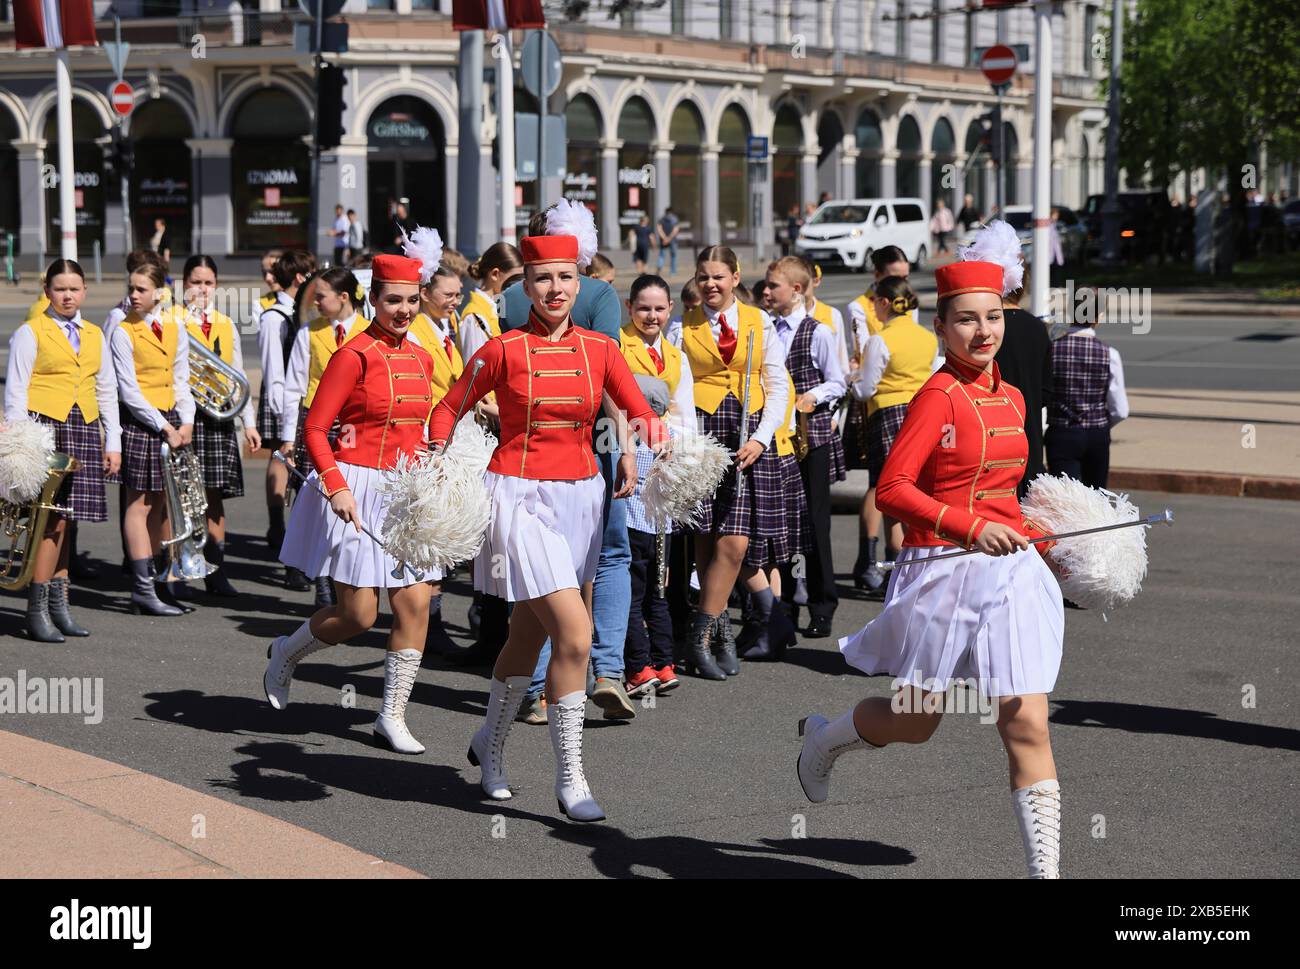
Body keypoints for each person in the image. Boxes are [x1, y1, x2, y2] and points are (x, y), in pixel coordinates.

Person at [798, 248, 1067, 880]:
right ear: (942, 327)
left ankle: (1046, 875)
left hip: (1011, 575)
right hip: (943, 571)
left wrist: (1049, 535)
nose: (984, 332)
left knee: (1025, 718)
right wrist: (971, 526)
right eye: (968, 320)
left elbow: (1008, 493)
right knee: (916, 722)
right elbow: (892, 490)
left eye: (994, 317)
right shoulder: (937, 397)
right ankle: (826, 739)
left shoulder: (1015, 399)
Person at [430, 226, 668, 821]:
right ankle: (571, 778)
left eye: (565, 277)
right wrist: (433, 466)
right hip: (517, 497)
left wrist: (660, 443)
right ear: (525, 285)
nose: (554, 288)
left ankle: (490, 745)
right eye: (542, 278)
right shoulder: (502, 348)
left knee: (525, 635)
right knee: (575, 633)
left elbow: (638, 411)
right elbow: (448, 406)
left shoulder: (600, 348)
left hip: (582, 499)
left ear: (579, 281)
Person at [266, 254, 441, 755]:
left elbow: (419, 428)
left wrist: (435, 463)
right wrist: (336, 484)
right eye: (393, 301)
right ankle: (286, 652)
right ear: (373, 299)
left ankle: (392, 716)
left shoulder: (422, 358)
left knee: (414, 602)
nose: (403, 310)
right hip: (355, 487)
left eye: (411, 300)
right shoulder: (353, 355)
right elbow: (315, 429)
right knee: (359, 615)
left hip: (404, 490)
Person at [500, 205, 638, 726]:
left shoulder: (512, 296)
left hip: (523, 457)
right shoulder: (597, 293)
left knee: (538, 571)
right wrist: (624, 445)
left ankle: (536, 688)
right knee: (607, 557)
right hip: (587, 446)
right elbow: (611, 380)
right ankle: (604, 671)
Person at [681, 245, 790, 680]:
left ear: (735, 276)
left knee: (736, 541)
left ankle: (698, 635)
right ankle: (716, 634)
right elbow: (677, 388)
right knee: (705, 538)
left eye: (719, 276)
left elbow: (778, 384)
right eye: (703, 276)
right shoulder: (681, 326)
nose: (710, 284)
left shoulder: (758, 321)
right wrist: (687, 443)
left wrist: (762, 439)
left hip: (748, 436)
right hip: (703, 433)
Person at [4, 259, 121, 641]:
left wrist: (113, 441)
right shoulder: (30, 332)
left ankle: (60, 606)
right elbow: (16, 393)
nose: (67, 295)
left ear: (84, 291)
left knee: (68, 522)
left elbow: (106, 390)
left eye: (74, 288)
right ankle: (36, 610)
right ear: (47, 291)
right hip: (45, 431)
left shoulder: (94, 334)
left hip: (83, 430)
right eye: (59, 289)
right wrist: (22, 445)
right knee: (48, 522)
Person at [618, 274, 695, 697]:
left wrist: (676, 450)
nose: (652, 315)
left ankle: (661, 661)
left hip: (661, 465)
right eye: (643, 308)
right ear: (630, 308)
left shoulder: (675, 354)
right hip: (628, 456)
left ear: (670, 310)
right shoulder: (616, 344)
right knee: (632, 569)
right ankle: (637, 663)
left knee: (655, 574)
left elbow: (685, 413)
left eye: (660, 308)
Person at [764, 256, 847, 640]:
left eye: (773, 286)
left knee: (814, 522)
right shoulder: (765, 328)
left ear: (796, 290)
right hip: (776, 436)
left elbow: (838, 381)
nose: (766, 292)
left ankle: (821, 603)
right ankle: (783, 603)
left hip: (809, 435)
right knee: (782, 522)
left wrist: (812, 394)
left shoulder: (818, 332)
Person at [111, 259, 197, 616]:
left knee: (163, 502)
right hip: (144, 423)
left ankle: (162, 579)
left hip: (172, 420)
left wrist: (187, 422)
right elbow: (128, 391)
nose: (132, 295)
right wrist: (164, 426)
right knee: (139, 503)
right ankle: (142, 587)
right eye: (130, 288)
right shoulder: (121, 329)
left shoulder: (174, 326)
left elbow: (182, 379)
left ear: (159, 293)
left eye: (140, 289)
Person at [280, 267, 369, 606]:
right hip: (317, 420)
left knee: (353, 495)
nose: (314, 302)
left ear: (343, 297)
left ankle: (348, 576)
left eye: (321, 295)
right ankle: (322, 583)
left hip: (356, 420)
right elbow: (294, 386)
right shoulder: (309, 332)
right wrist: (289, 436)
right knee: (319, 499)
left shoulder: (367, 331)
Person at [179, 255, 261, 597]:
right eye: (195, 282)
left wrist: (250, 423)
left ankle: (215, 569)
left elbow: (238, 374)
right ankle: (179, 567)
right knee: (182, 497)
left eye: (208, 283)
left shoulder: (227, 324)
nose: (201, 289)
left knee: (214, 496)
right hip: (186, 419)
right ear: (182, 285)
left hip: (220, 416)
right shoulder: (173, 321)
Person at [848, 275, 942, 570]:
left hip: (887, 414)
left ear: (885, 303)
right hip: (922, 413)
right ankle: (918, 557)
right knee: (919, 488)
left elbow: (865, 389)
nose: (873, 307)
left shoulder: (881, 340)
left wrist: (853, 378)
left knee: (887, 490)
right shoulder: (927, 337)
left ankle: (891, 558)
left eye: (875, 301)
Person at [844, 245, 913, 590]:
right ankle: (867, 556)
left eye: (904, 276)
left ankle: (896, 559)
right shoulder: (860, 306)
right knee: (878, 482)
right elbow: (864, 353)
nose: (901, 283)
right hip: (876, 402)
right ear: (877, 276)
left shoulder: (906, 306)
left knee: (902, 484)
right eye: (893, 277)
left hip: (903, 400)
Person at [257, 250, 315, 588]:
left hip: (298, 401)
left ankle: (294, 549)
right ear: (299, 277)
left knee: (300, 478)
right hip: (284, 402)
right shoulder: (275, 316)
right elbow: (274, 372)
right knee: (285, 463)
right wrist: (285, 421)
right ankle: (281, 535)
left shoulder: (302, 312)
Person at [1044, 286, 1129, 490]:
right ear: (1098, 316)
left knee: (1065, 502)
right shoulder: (1110, 354)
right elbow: (1121, 410)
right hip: (1096, 433)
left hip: (1061, 432)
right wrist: (1100, 425)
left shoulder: (1051, 349)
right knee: (1096, 500)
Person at [994, 255, 1053, 496]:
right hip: (1028, 436)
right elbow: (1047, 392)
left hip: (993, 437)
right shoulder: (1038, 328)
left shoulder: (985, 330)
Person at [656, 207, 680, 275]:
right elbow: (676, 230)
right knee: (673, 256)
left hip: (663, 240)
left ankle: (659, 266)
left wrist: (665, 238)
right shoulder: (675, 219)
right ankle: (673, 271)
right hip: (673, 240)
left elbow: (659, 230)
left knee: (661, 255)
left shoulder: (661, 219)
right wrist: (669, 238)